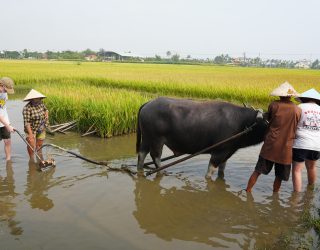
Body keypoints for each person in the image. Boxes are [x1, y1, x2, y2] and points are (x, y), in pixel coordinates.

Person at [246, 81, 301, 192]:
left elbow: (269, 120)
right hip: (286, 148)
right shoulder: (297, 109)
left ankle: (247, 191)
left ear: (280, 94)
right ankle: (275, 197)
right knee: (279, 177)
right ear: (291, 96)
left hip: (271, 145)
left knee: (257, 171)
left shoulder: (274, 105)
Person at [292, 88, 320, 192]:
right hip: (317, 144)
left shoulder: (299, 107)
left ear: (304, 98)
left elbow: (293, 125)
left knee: (297, 170)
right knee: (312, 167)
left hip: (301, 143)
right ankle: (310, 191)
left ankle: (296, 196)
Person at [22, 89, 49, 160]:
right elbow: (27, 123)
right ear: (31, 99)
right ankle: (31, 159)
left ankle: (40, 158)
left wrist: (46, 114)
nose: (38, 101)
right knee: (31, 145)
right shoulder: (27, 108)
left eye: (39, 99)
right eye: (35, 100)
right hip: (31, 129)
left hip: (41, 127)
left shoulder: (41, 103)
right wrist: (30, 135)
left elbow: (46, 109)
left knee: (39, 145)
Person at [0, 77, 15, 161]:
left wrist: (8, 124)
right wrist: (8, 126)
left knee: (7, 141)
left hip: (4, 122)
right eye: (5, 90)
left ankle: (8, 161)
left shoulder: (4, 94)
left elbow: (2, 109)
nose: (6, 92)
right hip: (3, 122)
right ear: (1, 85)